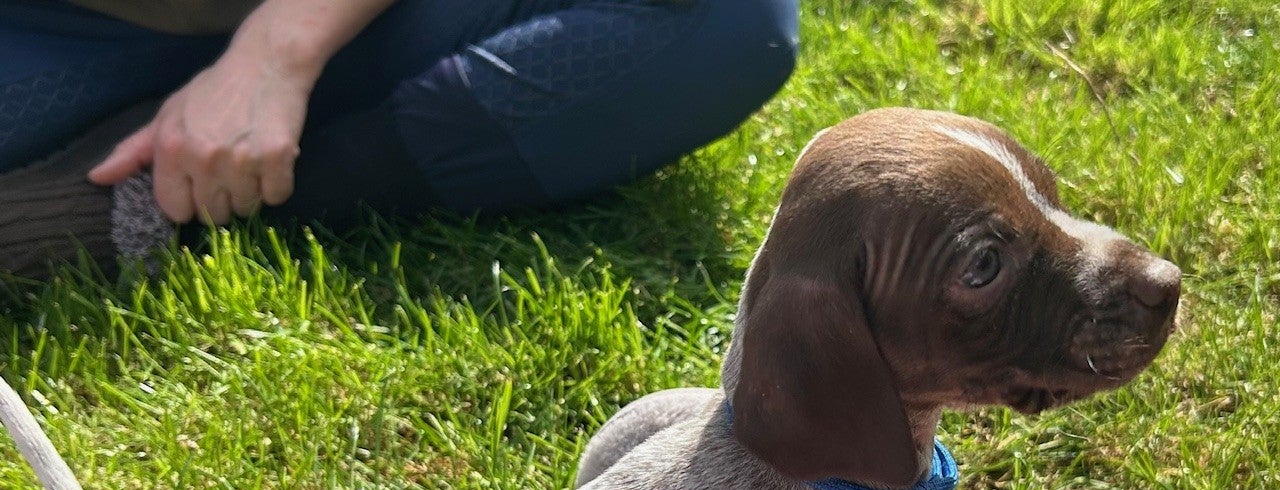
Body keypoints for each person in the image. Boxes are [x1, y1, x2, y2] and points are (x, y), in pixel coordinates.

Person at [0, 0, 799, 274]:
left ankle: (123, 210)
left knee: (726, 23)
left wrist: (278, 51)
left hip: (363, 22)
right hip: (57, 34)